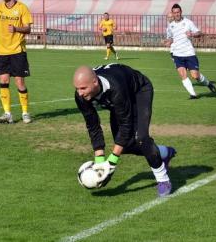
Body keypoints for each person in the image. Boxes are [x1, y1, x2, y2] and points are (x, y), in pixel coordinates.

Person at [73, 64, 176, 197]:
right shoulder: (80, 96)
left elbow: (125, 125)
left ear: (95, 81)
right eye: (77, 88)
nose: (80, 93)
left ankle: (163, 180)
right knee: (125, 145)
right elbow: (93, 125)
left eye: (83, 88)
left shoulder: (116, 88)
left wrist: (111, 163)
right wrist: (99, 162)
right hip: (118, 100)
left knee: (141, 138)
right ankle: (164, 152)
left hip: (139, 90)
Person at [165, 3, 216, 99]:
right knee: (182, 74)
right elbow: (171, 38)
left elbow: (199, 33)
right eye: (175, 12)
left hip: (189, 53)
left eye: (178, 12)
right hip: (177, 54)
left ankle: (208, 83)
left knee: (195, 76)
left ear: (181, 12)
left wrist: (192, 34)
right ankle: (193, 94)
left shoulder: (188, 22)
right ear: (172, 13)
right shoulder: (170, 26)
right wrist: (168, 42)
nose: (177, 14)